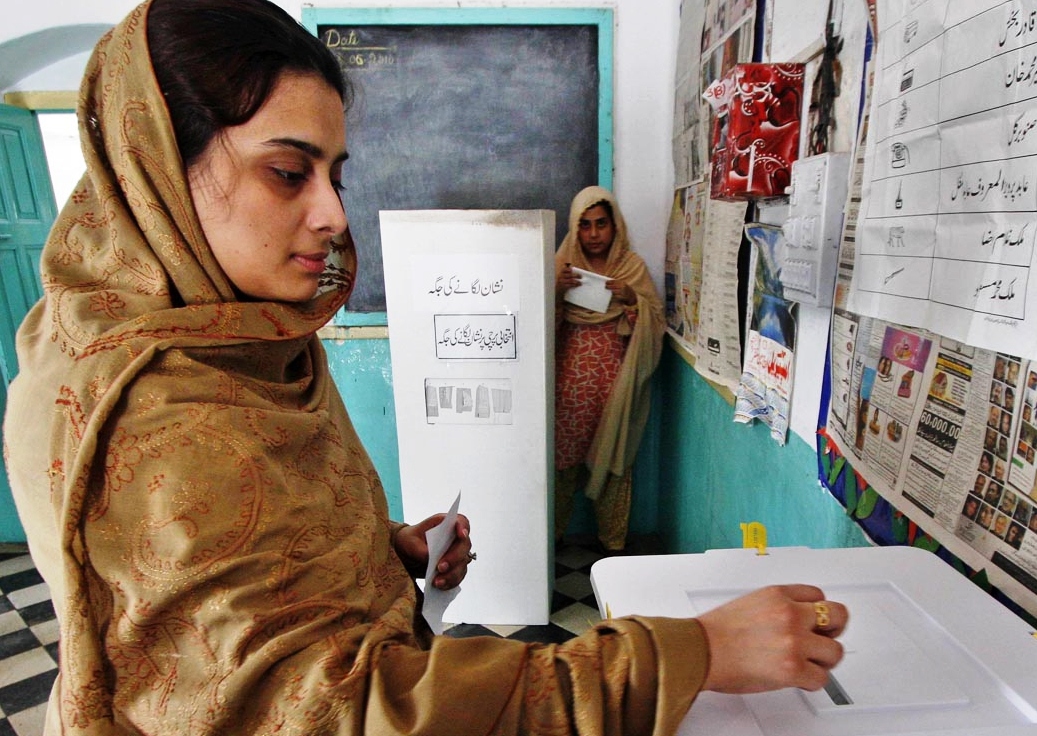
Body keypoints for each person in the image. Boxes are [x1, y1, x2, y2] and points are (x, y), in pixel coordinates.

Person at [2, 2, 849, 734]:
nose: (334, 214)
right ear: (156, 169)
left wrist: (377, 553)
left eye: (335, 174)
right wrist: (691, 652)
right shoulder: (158, 413)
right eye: (288, 172)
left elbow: (225, 588)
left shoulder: (210, 336)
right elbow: (344, 715)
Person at [553, 186, 665, 553]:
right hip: (568, 388)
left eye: (602, 224)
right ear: (575, 227)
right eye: (584, 225)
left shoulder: (630, 268)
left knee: (615, 460)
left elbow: (653, 322)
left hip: (617, 384)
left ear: (615, 225)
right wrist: (555, 290)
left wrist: (632, 298)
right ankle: (551, 542)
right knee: (561, 466)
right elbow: (537, 328)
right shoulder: (561, 266)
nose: (594, 234)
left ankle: (612, 545)